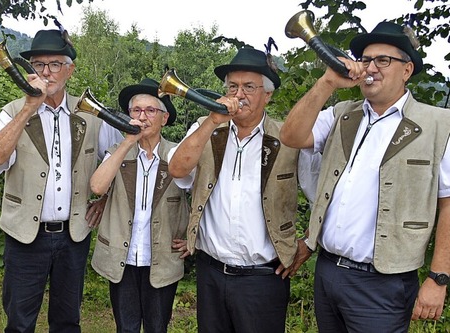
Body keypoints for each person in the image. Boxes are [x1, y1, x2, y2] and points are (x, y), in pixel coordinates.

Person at [279, 21, 450, 332]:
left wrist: (438, 278)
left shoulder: (440, 124)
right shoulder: (342, 114)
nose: (371, 67)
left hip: (383, 285)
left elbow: (448, 205)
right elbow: (291, 136)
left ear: (407, 70)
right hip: (329, 272)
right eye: (366, 60)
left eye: (383, 60)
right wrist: (327, 83)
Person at [168, 47, 317, 333]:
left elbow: (320, 195)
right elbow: (177, 169)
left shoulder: (287, 137)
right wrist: (212, 120)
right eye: (232, 87)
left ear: (268, 94)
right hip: (211, 273)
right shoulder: (206, 128)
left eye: (249, 87)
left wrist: (308, 243)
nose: (239, 94)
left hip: (264, 278)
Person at [0, 29, 123, 332]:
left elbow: (121, 160)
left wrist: (105, 198)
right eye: (38, 64)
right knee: (19, 321)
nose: (46, 72)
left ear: (69, 70)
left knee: (67, 320)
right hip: (25, 236)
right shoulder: (12, 111)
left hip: (73, 235)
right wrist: (28, 107)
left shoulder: (90, 113)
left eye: (55, 64)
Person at [89, 78, 190, 333]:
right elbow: (98, 187)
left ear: (164, 119)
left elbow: (203, 197)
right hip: (123, 259)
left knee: (157, 328)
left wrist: (194, 236)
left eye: (150, 111)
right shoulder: (118, 152)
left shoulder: (176, 156)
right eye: (136, 111)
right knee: (126, 328)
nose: (142, 117)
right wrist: (127, 142)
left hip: (162, 259)